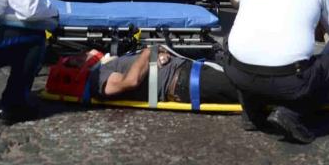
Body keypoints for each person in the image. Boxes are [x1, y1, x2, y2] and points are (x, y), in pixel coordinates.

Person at [224, 0, 329, 144]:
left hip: (238, 74)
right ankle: (291, 114)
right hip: (290, 80)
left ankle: (251, 113)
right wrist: (318, 64)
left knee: (235, 47)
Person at [91, 48, 237, 104]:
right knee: (246, 86)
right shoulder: (97, 77)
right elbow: (130, 81)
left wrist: (159, 53)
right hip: (182, 81)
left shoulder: (109, 63)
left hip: (187, 71)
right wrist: (148, 52)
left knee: (241, 75)